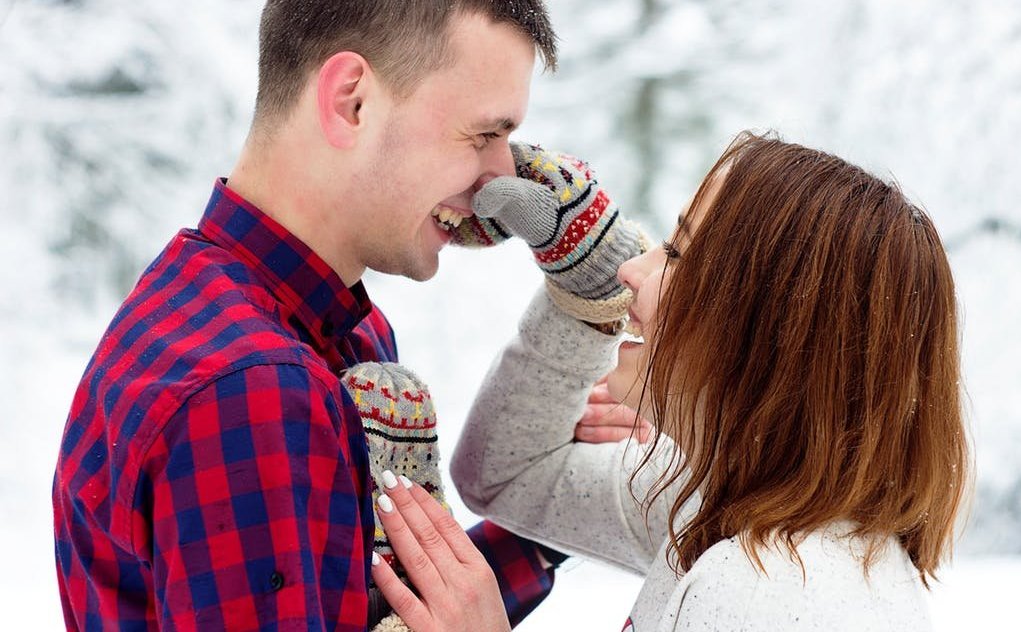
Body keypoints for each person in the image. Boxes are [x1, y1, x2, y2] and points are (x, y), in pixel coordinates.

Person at [50, 2, 625, 629]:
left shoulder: (322, 331)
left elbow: (356, 607)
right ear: (352, 101)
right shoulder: (254, 392)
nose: (501, 177)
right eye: (485, 134)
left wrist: (542, 519)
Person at [368, 132, 971, 631]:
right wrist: (585, 281)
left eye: (676, 254)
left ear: (762, 326)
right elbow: (507, 474)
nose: (632, 268)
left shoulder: (766, 593)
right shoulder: (719, 499)